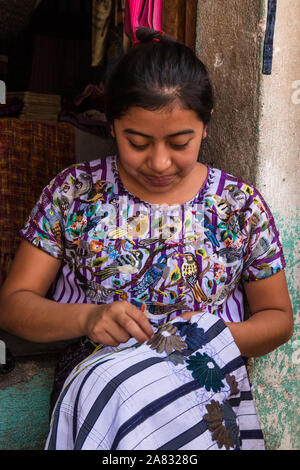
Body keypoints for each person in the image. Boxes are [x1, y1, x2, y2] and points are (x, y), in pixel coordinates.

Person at [0, 28, 293, 450]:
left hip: (202, 383)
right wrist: (88, 319)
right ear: (112, 124)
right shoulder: (75, 193)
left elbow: (278, 318)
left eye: (179, 143)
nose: (158, 162)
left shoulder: (238, 205)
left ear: (205, 124)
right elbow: (12, 305)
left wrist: (209, 336)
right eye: (136, 142)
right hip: (103, 384)